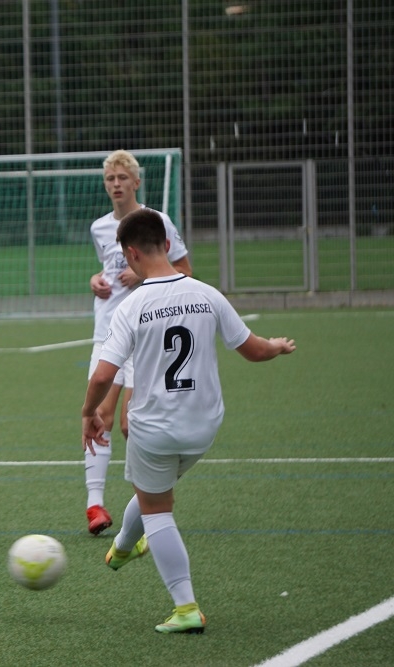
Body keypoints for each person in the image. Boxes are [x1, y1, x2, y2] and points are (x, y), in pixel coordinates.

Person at [81, 208, 295, 634]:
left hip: (156, 428)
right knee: (154, 488)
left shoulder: (133, 305)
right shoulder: (207, 293)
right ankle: (123, 546)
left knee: (157, 508)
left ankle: (185, 607)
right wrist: (276, 346)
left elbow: (104, 375)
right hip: (204, 427)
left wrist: (89, 413)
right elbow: (252, 349)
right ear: (165, 244)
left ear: (128, 255)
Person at [83, 149, 193, 535]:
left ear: (136, 182)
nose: (116, 184)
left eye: (122, 178)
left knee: (134, 425)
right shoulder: (99, 228)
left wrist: (143, 277)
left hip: (148, 334)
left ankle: (152, 507)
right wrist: (96, 281)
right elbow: (109, 271)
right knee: (101, 416)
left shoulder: (156, 221)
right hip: (108, 332)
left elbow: (183, 270)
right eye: (110, 179)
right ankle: (94, 505)